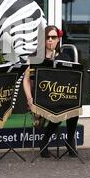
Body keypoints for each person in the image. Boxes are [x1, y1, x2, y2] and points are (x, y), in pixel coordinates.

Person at [22, 25, 80, 158]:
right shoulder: (36, 57)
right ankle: (45, 141)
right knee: (59, 107)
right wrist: (29, 99)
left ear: (58, 40)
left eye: (53, 37)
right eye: (47, 37)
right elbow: (26, 80)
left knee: (74, 106)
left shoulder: (65, 57)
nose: (50, 40)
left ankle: (70, 140)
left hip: (58, 95)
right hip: (40, 97)